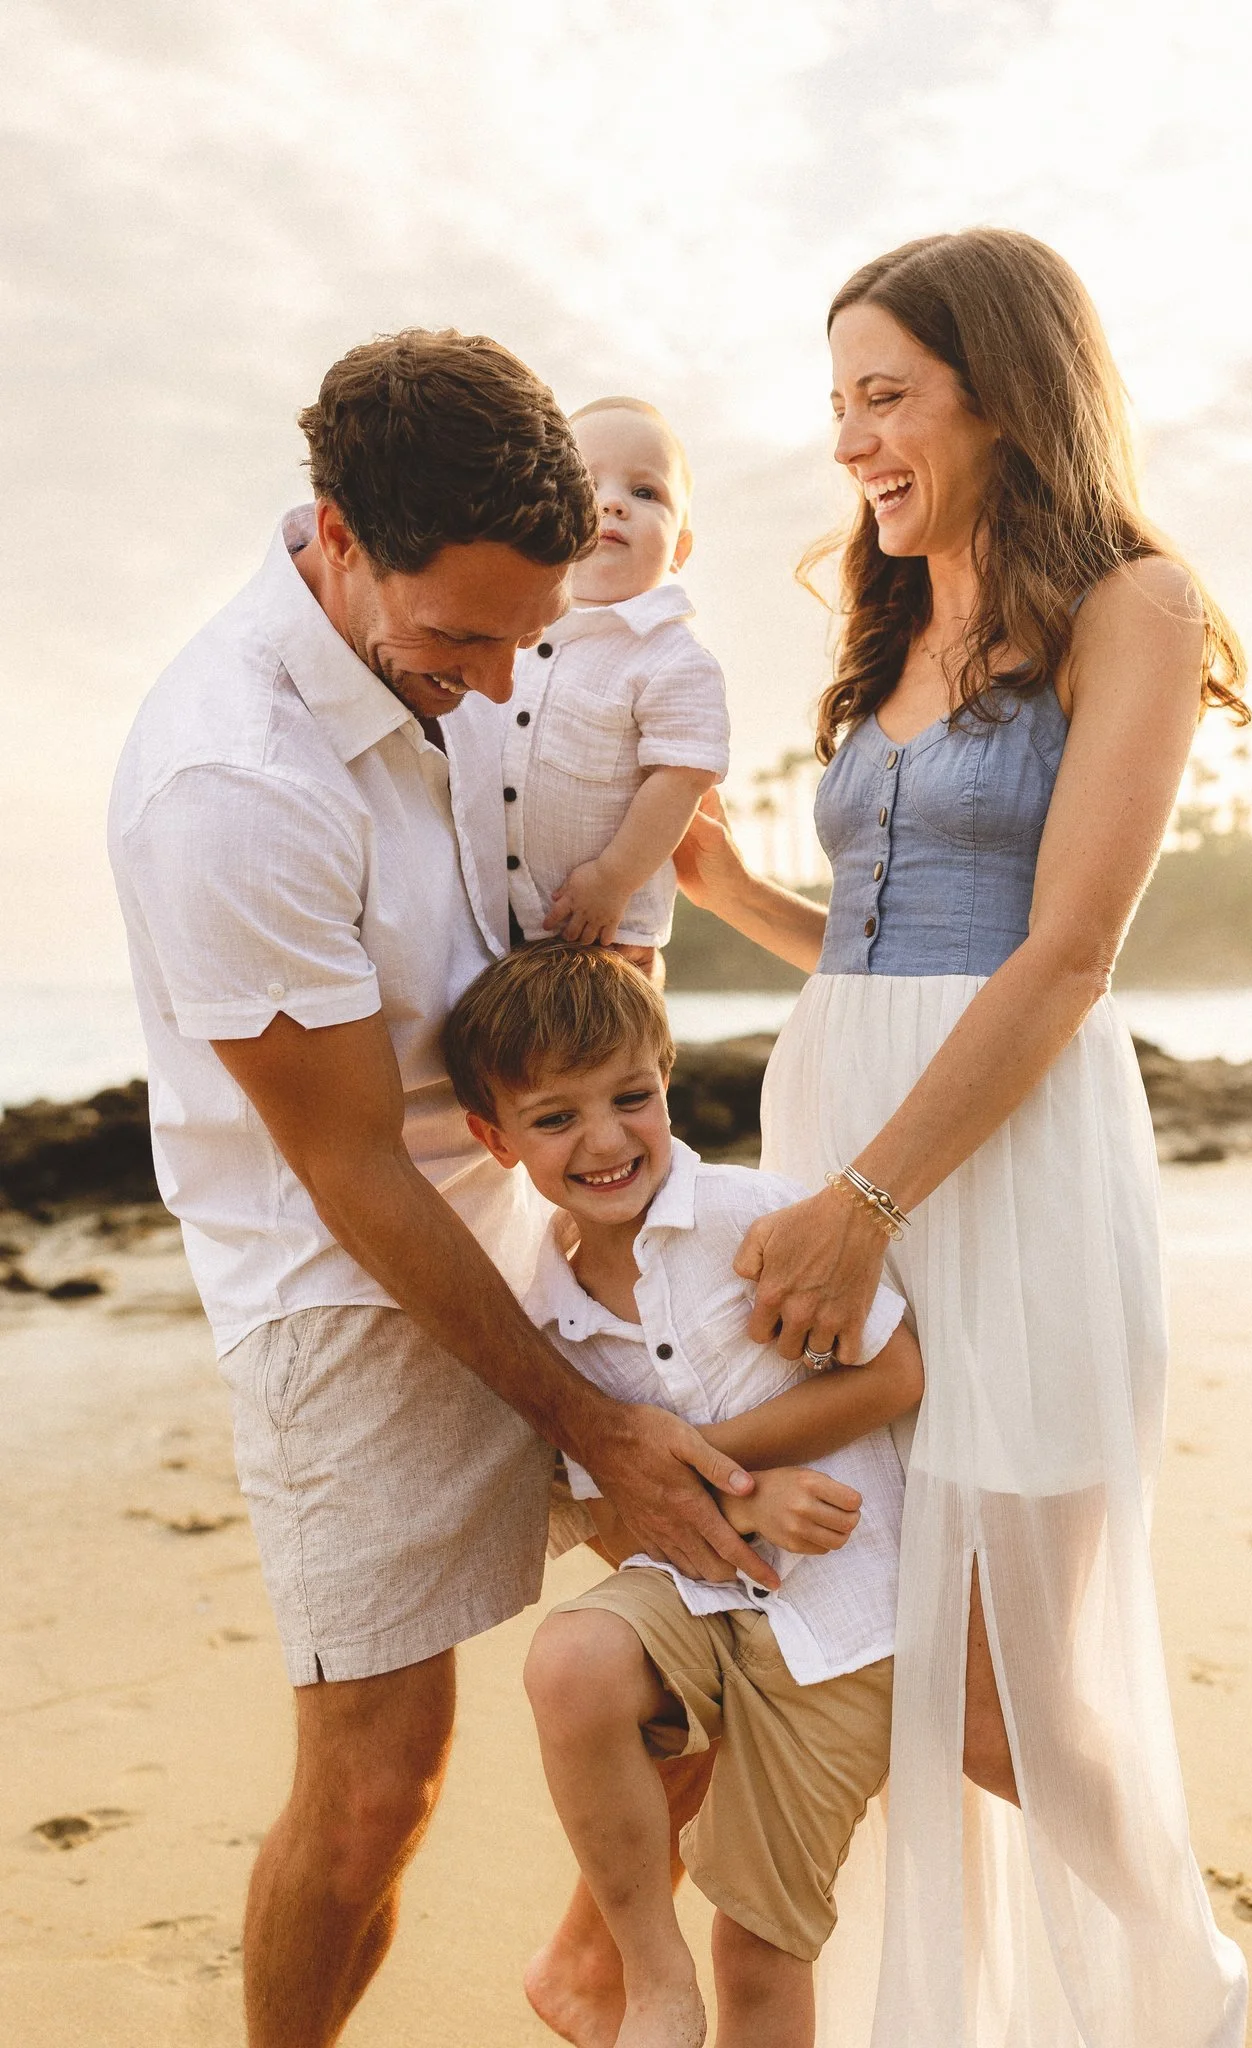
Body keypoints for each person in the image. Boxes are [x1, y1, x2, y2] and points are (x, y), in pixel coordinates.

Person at [107, 330, 770, 2048]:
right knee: (375, 1790)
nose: (494, 686)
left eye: (526, 637)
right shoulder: (229, 786)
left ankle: (585, 1958)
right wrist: (596, 1422)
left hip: (547, 1218)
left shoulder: (468, 642)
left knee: (745, 1607)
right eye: (461, 639)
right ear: (335, 532)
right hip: (352, 1288)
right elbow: (343, 1171)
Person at [674, 231, 1251, 2046]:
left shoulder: (1134, 605)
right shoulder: (893, 608)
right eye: (839, 399)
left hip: (998, 1164)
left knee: (1002, 1666)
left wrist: (864, 1201)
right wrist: (735, 894)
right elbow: (885, 935)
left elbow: (1065, 948)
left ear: (1003, 391)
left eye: (886, 395)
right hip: (840, 1118)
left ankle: (1186, 1980)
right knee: (871, 1627)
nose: (850, 439)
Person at [441, 941, 924, 2048]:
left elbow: (894, 1372)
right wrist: (735, 1504)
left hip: (845, 1632)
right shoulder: (543, 1313)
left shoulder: (756, 1219)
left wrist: (704, 1462)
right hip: (697, 1607)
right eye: (555, 1118)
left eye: (630, 1096)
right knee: (569, 1658)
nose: (607, 1139)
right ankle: (644, 1979)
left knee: (758, 1947)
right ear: (493, 1138)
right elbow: (606, 1507)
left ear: (667, 1074)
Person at [504, 397, 730, 981]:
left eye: (645, 493)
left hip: (605, 933)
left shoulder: (672, 658)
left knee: (600, 1062)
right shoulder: (508, 628)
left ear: (679, 549)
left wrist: (613, 879)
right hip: (487, 920)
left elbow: (681, 779)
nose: (610, 503)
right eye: (586, 483)